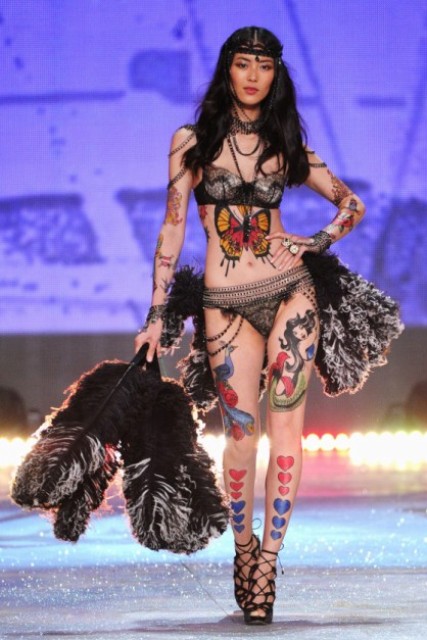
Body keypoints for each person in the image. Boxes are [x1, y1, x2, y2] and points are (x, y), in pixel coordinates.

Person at [134, 26, 402, 625]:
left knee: (287, 431)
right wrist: (155, 314)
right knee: (240, 434)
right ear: (227, 70)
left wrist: (316, 241)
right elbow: (173, 226)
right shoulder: (190, 142)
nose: (253, 75)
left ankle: (268, 563)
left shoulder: (286, 143)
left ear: (276, 74)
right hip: (225, 302)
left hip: (290, 292)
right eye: (243, 63)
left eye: (264, 65)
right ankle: (244, 548)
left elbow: (351, 203)